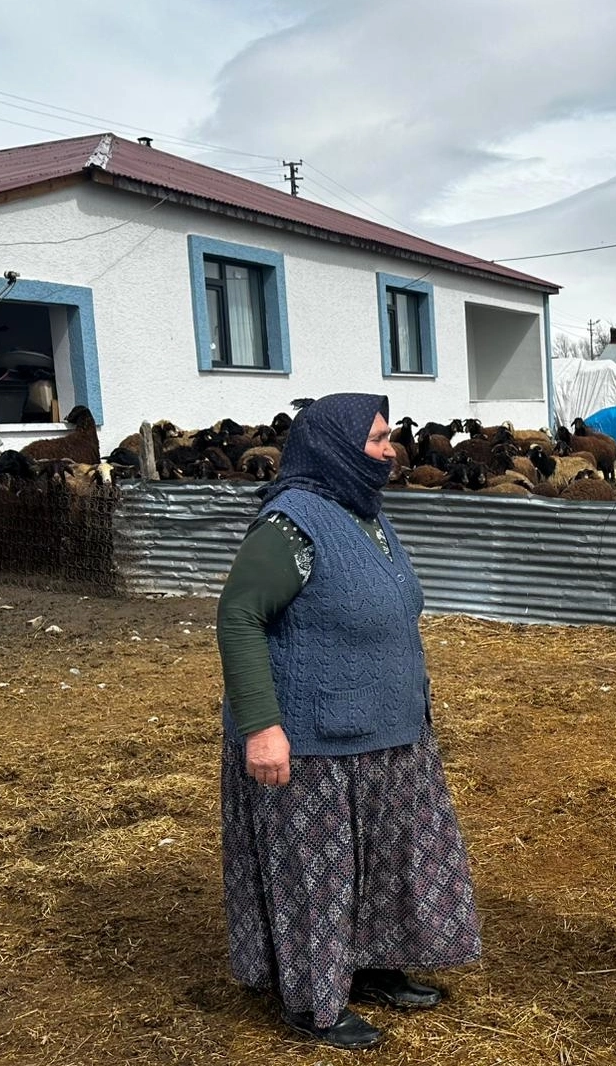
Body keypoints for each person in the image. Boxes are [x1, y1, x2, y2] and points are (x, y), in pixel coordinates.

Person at [216, 393, 481, 1051]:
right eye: (377, 439)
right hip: (313, 740)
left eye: (389, 438)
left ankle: (369, 966)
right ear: (334, 447)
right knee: (318, 874)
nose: (391, 450)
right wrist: (262, 728)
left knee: (384, 860)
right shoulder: (291, 523)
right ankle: (314, 1001)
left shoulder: (365, 513)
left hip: (387, 733)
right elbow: (239, 617)